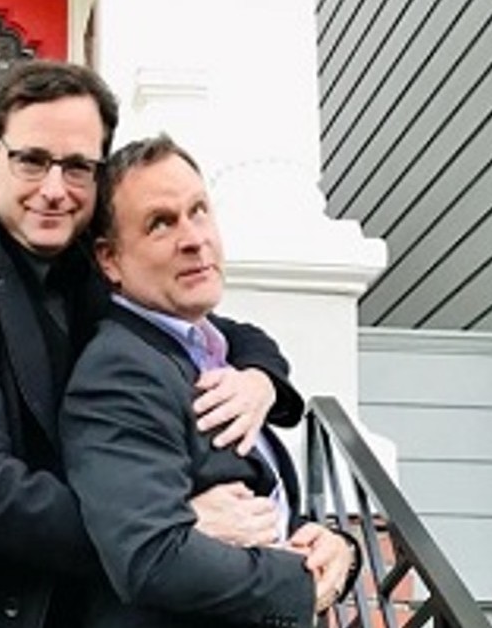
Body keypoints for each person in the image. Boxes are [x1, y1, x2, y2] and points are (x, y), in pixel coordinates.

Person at [0, 60, 305, 628]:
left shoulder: (90, 266)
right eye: (31, 160)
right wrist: (156, 527)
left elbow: (213, 329)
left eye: (76, 167)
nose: (53, 190)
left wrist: (259, 379)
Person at [59, 134, 360, 628]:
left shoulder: (208, 348)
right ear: (110, 260)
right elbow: (151, 557)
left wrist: (334, 548)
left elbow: (252, 508)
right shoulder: (120, 372)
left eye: (199, 211)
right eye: (161, 223)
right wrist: (300, 583)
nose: (194, 238)